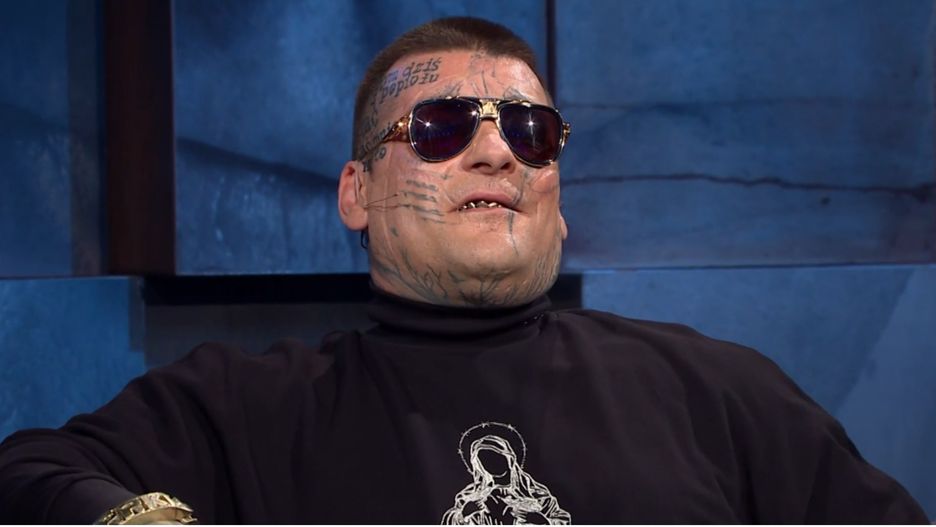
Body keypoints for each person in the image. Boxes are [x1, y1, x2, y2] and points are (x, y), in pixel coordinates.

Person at [0, 16, 929, 524]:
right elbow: (29, 472)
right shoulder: (247, 408)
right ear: (357, 192)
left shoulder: (719, 393)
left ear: (557, 192)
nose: (496, 152)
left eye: (530, 132)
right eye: (441, 128)